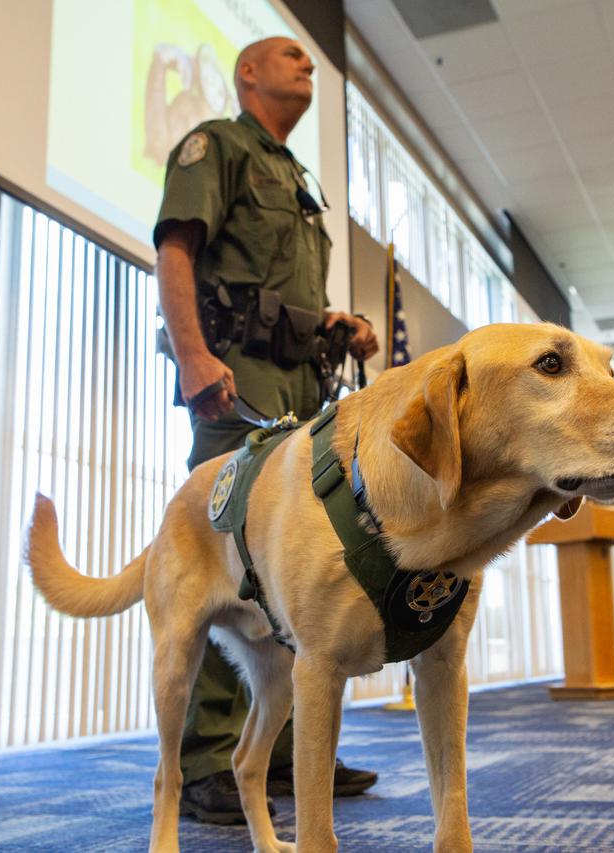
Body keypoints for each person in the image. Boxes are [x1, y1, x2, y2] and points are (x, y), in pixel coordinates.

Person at [152, 36, 381, 825]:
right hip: (233, 375)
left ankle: (287, 751)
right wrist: (191, 357)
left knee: (296, 565)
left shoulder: (296, 175)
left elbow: (278, 286)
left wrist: (334, 325)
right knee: (230, 561)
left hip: (300, 386)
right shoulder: (215, 146)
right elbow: (176, 248)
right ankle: (212, 757)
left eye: (308, 58)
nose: (306, 62)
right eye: (290, 53)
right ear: (247, 72)